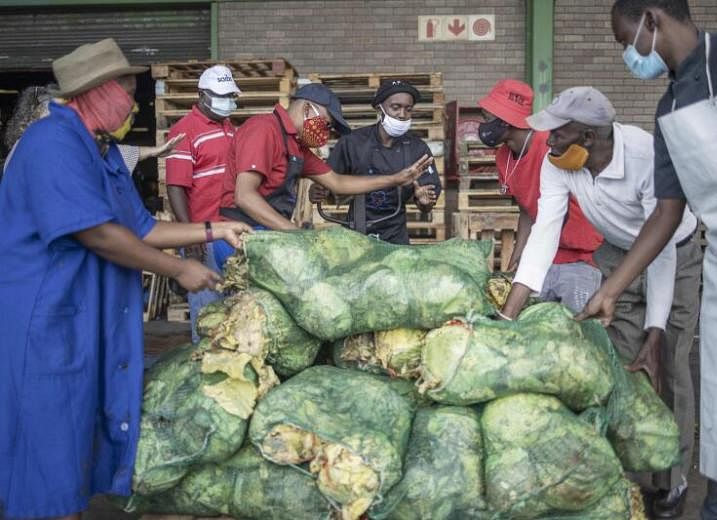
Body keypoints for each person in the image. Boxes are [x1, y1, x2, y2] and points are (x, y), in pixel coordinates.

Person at [0, 38, 249, 519]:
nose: (133, 104)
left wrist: (215, 227)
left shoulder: (102, 151)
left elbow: (143, 227)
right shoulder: (51, 142)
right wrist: (180, 268)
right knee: (46, 446)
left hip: (83, 315)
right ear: (94, 91)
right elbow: (96, 232)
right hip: (45, 319)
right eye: (127, 92)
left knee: (75, 440)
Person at [583, 1, 717, 517]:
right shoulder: (669, 110)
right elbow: (667, 213)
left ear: (653, 19)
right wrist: (612, 289)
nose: (628, 54)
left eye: (626, 40)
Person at [499, 86, 702, 517]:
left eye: (556, 134)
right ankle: (628, 470)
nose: (548, 143)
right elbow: (544, 233)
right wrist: (508, 314)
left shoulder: (648, 157)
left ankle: (672, 477)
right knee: (621, 362)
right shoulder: (559, 164)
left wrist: (656, 329)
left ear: (588, 137)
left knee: (668, 361)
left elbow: (661, 246)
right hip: (616, 253)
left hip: (675, 252)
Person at [215, 83, 432, 265]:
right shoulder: (263, 129)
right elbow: (244, 197)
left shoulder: (297, 146)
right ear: (308, 110)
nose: (325, 133)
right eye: (326, 124)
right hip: (239, 236)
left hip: (268, 233)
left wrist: (396, 179)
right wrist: (299, 235)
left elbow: (337, 182)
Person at [477, 79, 603, 312]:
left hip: (580, 258)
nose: (482, 125)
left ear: (505, 121)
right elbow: (527, 208)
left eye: (486, 118)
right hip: (541, 258)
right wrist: (518, 256)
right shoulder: (503, 157)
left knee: (576, 330)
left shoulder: (553, 148)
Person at [307, 79, 440, 244]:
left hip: (396, 239)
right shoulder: (353, 142)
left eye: (408, 109)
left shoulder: (417, 149)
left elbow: (427, 204)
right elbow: (328, 182)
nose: (402, 114)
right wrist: (318, 192)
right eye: (395, 107)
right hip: (356, 237)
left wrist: (424, 202)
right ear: (380, 109)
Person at [165, 65, 240, 340]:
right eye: (220, 95)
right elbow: (175, 187)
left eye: (230, 95)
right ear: (201, 95)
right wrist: (189, 236)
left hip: (231, 233)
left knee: (236, 309)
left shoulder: (230, 128)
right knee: (208, 313)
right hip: (203, 236)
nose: (227, 100)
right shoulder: (184, 131)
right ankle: (206, 366)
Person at [1, 84, 184, 177]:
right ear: (30, 121)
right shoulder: (36, 149)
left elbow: (108, 154)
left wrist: (155, 151)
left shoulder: (58, 144)